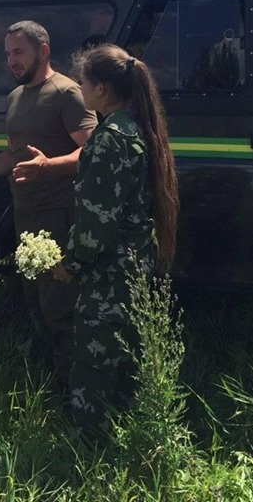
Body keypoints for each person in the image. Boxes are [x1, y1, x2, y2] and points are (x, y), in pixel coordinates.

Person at [0, 20, 97, 385]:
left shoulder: (67, 93)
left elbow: (93, 151)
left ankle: (73, 389)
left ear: (43, 50)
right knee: (34, 298)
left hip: (60, 214)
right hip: (26, 215)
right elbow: (13, 155)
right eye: (7, 53)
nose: (10, 61)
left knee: (60, 304)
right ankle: (47, 375)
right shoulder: (16, 96)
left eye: (18, 52)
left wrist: (48, 167)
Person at [61, 43, 179, 433]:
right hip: (134, 262)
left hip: (108, 272)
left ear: (100, 89)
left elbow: (97, 221)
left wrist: (71, 264)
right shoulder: (134, 127)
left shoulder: (110, 138)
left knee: (96, 356)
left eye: (82, 82)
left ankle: (87, 439)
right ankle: (126, 423)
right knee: (126, 350)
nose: (79, 89)